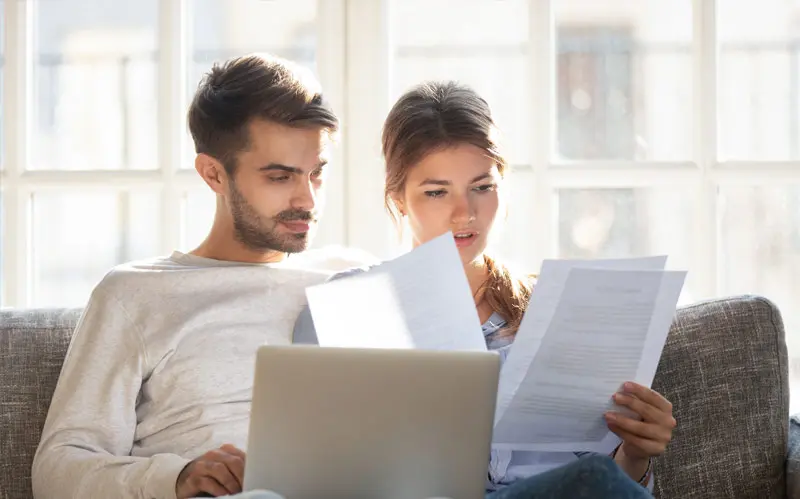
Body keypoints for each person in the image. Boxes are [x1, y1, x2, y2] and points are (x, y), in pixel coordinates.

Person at [292, 81, 677, 498]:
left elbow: (601, 481)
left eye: (482, 187)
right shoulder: (346, 309)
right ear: (399, 199)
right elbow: (316, 465)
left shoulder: (555, 308)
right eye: (437, 192)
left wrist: (636, 455)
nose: (465, 213)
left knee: (594, 478)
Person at [31, 54, 376, 499]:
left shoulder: (354, 276)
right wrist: (177, 477)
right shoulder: (135, 294)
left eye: (317, 174)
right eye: (279, 177)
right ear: (213, 173)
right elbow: (57, 469)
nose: (307, 199)